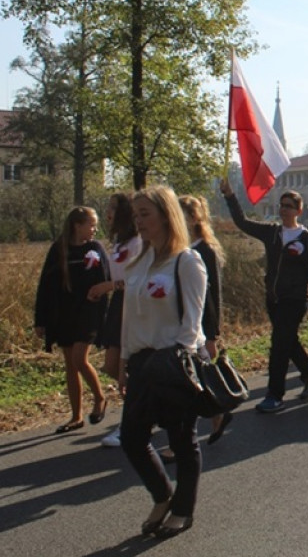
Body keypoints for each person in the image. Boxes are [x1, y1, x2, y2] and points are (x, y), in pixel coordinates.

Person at [119, 186, 206, 538]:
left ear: (166, 215)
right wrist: (125, 359)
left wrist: (177, 361)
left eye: (145, 214)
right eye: (135, 215)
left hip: (173, 364)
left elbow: (193, 323)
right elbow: (129, 317)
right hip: (142, 363)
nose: (138, 221)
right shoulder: (138, 260)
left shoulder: (186, 261)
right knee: (131, 438)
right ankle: (162, 495)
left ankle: (183, 510)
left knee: (182, 440)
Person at [221, 180, 308, 413]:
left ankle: (275, 395)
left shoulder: (307, 238)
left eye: (289, 206)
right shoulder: (272, 232)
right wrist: (230, 196)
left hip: (297, 298)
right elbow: (242, 222)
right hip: (274, 298)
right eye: (282, 205)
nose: (284, 209)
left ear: (299, 210)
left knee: (279, 345)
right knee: (286, 340)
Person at [36, 206, 110, 434]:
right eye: (91, 224)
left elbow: (106, 281)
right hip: (64, 314)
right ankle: (76, 416)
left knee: (80, 358)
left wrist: (103, 313)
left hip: (88, 312)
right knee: (70, 364)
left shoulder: (95, 249)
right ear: (77, 225)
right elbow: (45, 287)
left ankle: (99, 398)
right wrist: (40, 320)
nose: (95, 229)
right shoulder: (59, 250)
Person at [87, 193, 142, 448]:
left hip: (131, 304)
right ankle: (145, 408)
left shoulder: (137, 242)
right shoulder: (118, 241)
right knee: (111, 365)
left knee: (123, 369)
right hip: (118, 303)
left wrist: (110, 285)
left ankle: (130, 425)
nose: (107, 212)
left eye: (112, 208)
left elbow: (137, 280)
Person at [179, 195, 231, 444]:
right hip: (185, 322)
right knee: (196, 375)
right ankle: (219, 412)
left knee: (199, 374)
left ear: (191, 218)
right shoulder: (181, 249)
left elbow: (214, 294)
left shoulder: (204, 250)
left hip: (201, 325)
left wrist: (213, 334)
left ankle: (218, 410)